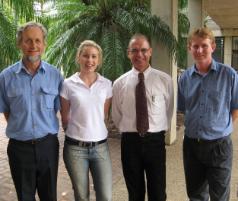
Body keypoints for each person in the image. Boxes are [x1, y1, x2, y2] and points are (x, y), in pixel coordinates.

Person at [0, 22, 63, 201]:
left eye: (38, 40)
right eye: (28, 41)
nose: (33, 46)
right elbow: (6, 111)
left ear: (44, 44)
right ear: (20, 43)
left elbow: (59, 108)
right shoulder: (5, 77)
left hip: (48, 146)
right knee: (24, 197)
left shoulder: (55, 75)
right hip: (19, 148)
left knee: (49, 196)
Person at [178, 27, 238, 201]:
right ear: (189, 48)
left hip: (219, 146)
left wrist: (219, 127)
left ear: (212, 46)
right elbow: (184, 108)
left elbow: (235, 107)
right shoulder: (185, 78)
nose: (200, 50)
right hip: (192, 146)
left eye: (204, 45)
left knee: (219, 196)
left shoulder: (229, 75)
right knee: (196, 195)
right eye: (195, 46)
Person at [112, 33, 174, 201]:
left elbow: (168, 110)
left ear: (150, 52)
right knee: (135, 193)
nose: (139, 54)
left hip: (155, 142)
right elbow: (117, 115)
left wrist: (157, 129)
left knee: (158, 193)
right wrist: (130, 130)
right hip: (130, 143)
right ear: (128, 53)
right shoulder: (119, 84)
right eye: (135, 50)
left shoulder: (164, 80)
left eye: (144, 50)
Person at [60, 40, 112, 201]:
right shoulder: (68, 84)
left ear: (99, 60)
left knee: (105, 195)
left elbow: (104, 115)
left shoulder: (106, 84)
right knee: (82, 196)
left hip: (100, 148)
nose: (90, 60)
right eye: (86, 56)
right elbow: (65, 117)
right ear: (79, 57)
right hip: (75, 149)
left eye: (94, 57)